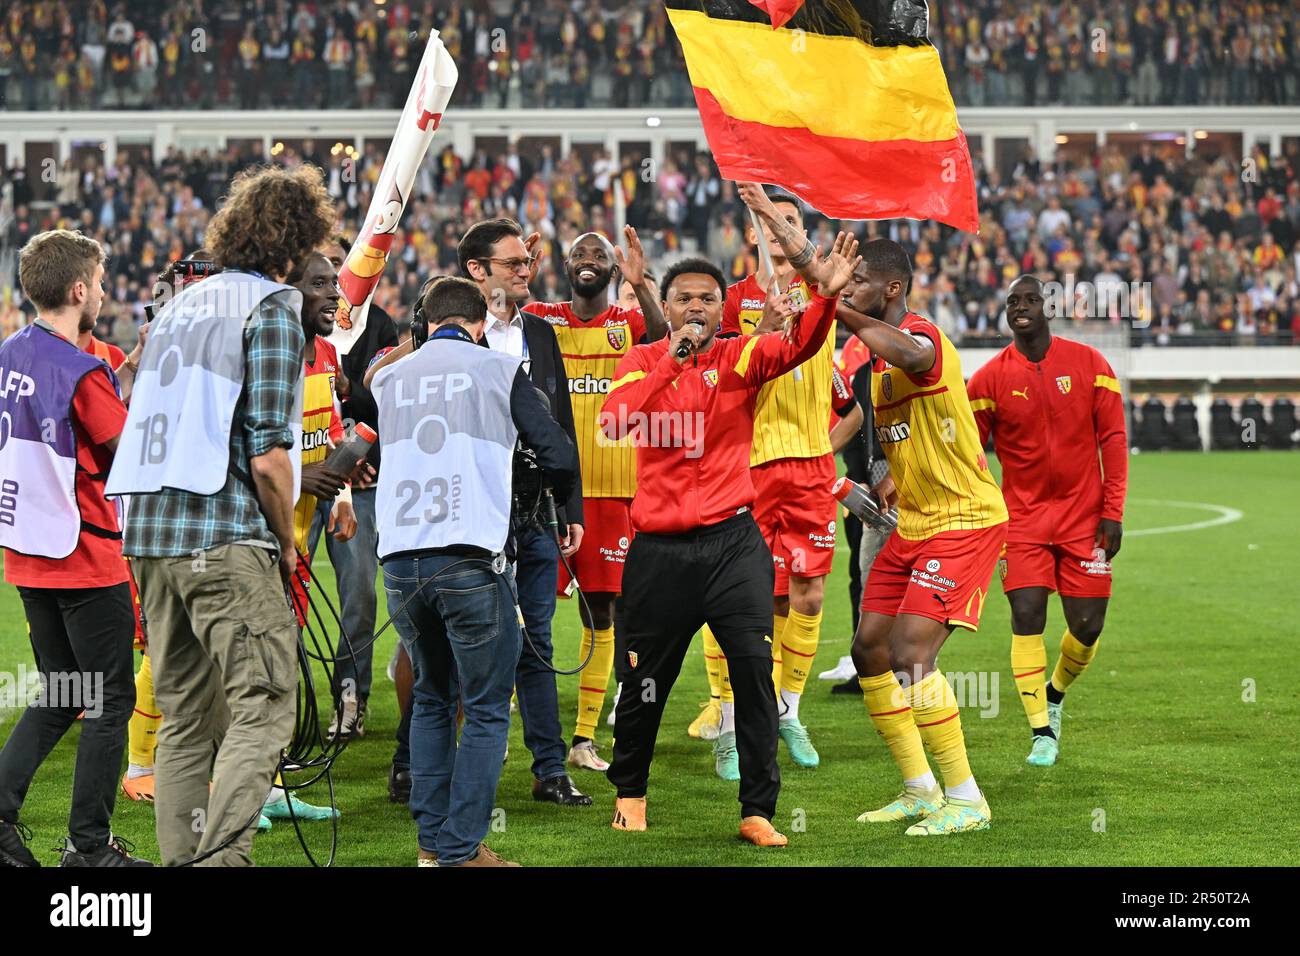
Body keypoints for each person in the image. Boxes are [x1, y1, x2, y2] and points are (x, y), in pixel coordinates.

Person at [601, 184, 859, 846]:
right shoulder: (637, 364)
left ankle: (757, 810)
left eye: (707, 299)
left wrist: (823, 293)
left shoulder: (739, 359)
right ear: (667, 303)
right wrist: (671, 359)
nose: (695, 306)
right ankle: (630, 791)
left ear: (724, 310)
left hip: (730, 544)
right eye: (683, 297)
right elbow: (614, 423)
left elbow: (798, 346)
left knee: (751, 665)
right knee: (645, 684)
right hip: (657, 552)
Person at [106, 165, 336, 867]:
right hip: (221, 530)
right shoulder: (271, 308)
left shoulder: (178, 307)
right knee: (265, 701)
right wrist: (287, 543)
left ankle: (184, 862)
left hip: (147, 535)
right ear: (297, 240)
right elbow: (270, 453)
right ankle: (221, 861)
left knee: (186, 720)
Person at [370, 276, 578, 867]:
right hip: (469, 559)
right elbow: (559, 452)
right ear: (481, 322)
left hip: (400, 564)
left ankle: (432, 846)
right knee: (486, 706)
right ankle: (460, 849)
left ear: (424, 324)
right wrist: (544, 492)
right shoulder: (496, 369)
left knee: (434, 697)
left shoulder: (390, 379)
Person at [836, 239, 1008, 837]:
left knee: (912, 656)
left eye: (857, 281)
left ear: (889, 288)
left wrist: (838, 309)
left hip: (964, 519)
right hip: (912, 523)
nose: (848, 287)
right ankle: (920, 789)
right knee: (870, 651)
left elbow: (912, 356)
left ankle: (968, 799)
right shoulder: (872, 366)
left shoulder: (921, 336)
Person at [0, 228, 150, 867]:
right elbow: (131, 454)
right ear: (79, 289)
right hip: (86, 558)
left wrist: (125, 370)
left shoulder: (11, 351)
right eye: (100, 281)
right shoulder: (83, 370)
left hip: (29, 552)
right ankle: (89, 851)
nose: (105, 292)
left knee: (62, 689)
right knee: (110, 698)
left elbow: (62, 415)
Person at [705, 189, 848, 775]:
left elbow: (847, 397)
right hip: (748, 465)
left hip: (811, 465)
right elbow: (713, 372)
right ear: (750, 235)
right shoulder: (732, 298)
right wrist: (758, 328)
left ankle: (787, 709)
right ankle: (731, 725)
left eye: (789, 222)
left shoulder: (821, 284)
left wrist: (766, 206)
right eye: (767, 222)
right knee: (742, 600)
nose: (779, 231)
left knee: (809, 593)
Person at [521, 226, 667, 773]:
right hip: (547, 489)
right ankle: (502, 714)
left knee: (601, 611)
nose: (587, 260)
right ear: (563, 265)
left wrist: (641, 285)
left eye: (598, 255)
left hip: (613, 489)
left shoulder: (626, 324)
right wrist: (518, 282)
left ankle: (582, 737)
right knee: (516, 606)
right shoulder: (542, 317)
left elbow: (662, 341)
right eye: (578, 253)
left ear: (612, 268)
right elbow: (500, 323)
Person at [965, 275, 1127, 767]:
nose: (1021, 307)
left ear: (1046, 308)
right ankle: (1041, 732)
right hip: (1024, 522)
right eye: (1013, 301)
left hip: (1085, 520)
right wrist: (992, 501)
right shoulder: (989, 377)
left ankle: (1054, 695)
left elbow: (1113, 440)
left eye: (1030, 300)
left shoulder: (1090, 365)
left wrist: (1112, 511)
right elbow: (970, 450)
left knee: (1087, 625)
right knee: (1026, 615)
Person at [458, 218, 590, 807]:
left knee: (538, 642)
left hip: (533, 511)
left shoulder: (539, 334)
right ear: (476, 272)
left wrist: (569, 506)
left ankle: (550, 770)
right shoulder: (447, 332)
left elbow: (562, 426)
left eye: (527, 262)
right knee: (448, 641)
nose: (526, 270)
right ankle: (412, 763)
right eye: (513, 264)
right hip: (471, 511)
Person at [304, 234, 400, 749]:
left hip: (352, 479)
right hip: (292, 480)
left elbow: (389, 399)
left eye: (341, 266)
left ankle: (350, 695)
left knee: (358, 592)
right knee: (281, 598)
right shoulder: (286, 328)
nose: (336, 278)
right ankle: (280, 705)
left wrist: (366, 457)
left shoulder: (379, 324)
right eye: (322, 270)